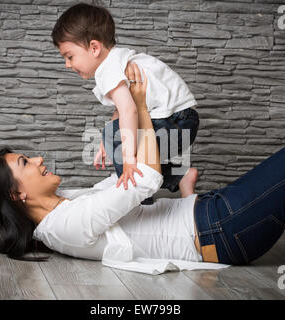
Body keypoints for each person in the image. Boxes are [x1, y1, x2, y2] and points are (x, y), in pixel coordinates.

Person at [0, 63, 285, 275]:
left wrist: (117, 132)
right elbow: (147, 179)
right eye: (25, 163)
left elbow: (127, 184)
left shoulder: (65, 207)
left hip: (216, 214)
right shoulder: (65, 225)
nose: (39, 160)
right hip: (225, 225)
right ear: (17, 194)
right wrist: (137, 105)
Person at [51, 3, 200, 203]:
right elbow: (122, 109)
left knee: (125, 148)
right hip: (182, 120)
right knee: (116, 136)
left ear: (94, 48)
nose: (67, 64)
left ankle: (139, 201)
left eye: (69, 57)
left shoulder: (108, 69)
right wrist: (108, 140)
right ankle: (179, 176)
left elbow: (129, 111)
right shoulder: (118, 59)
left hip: (174, 121)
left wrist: (127, 159)